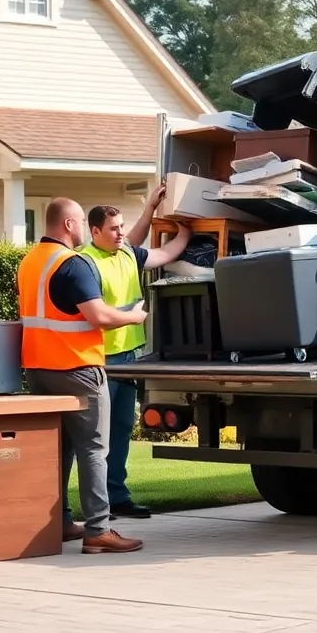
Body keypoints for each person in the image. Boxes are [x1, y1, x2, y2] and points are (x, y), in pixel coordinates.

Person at [18, 197, 148, 554]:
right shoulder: (73, 264)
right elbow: (99, 317)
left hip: (39, 369)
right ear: (70, 226)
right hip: (78, 369)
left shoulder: (29, 262)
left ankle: (60, 522)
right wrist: (136, 317)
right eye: (78, 223)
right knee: (94, 449)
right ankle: (98, 530)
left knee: (60, 450)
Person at [79, 187, 191, 519]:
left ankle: (117, 497)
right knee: (95, 438)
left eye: (122, 227)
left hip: (129, 357)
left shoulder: (128, 253)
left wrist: (184, 231)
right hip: (101, 360)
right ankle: (96, 506)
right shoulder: (86, 262)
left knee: (122, 429)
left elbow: (163, 254)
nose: (120, 233)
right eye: (113, 228)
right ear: (94, 231)